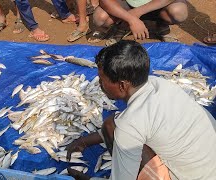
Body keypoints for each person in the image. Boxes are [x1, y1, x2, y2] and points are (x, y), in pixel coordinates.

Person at [66, 40, 216, 179]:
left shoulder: (130, 124)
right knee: (112, 124)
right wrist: (84, 141)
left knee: (119, 129)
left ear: (122, 85)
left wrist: (86, 178)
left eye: (102, 80)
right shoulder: (161, 84)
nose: (100, 84)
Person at [92, 0, 188, 46]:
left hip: (157, 4)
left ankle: (160, 24)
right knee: (101, 18)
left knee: (178, 12)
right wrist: (131, 19)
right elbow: (105, 1)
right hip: (126, 3)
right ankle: (122, 26)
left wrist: (137, 12)